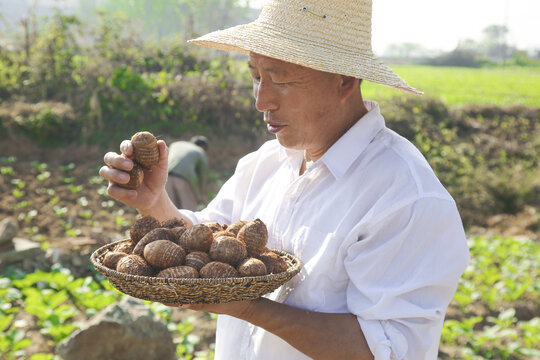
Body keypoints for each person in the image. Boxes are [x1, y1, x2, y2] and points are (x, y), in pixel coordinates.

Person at [99, 0, 470, 359]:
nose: (262, 101)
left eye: (281, 80)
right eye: (256, 76)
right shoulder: (264, 164)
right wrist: (152, 201)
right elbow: (206, 244)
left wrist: (250, 309)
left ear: (344, 80)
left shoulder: (405, 197)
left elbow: (387, 350)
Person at [165, 135, 209, 211]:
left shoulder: (176, 144)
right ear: (203, 147)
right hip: (184, 178)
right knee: (189, 210)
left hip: (166, 176)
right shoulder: (200, 151)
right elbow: (202, 176)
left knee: (171, 209)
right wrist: (201, 196)